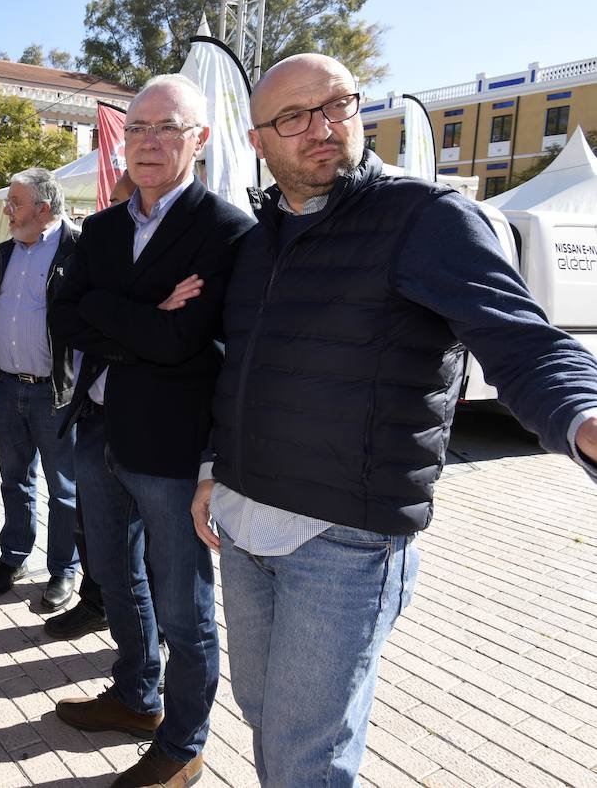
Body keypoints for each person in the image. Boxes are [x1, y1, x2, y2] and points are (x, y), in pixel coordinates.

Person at [190, 52, 597, 786]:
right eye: (292, 117)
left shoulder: (425, 219)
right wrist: (214, 470)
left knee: (301, 749)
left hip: (344, 538)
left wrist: (581, 413)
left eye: (337, 105)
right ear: (257, 140)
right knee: (265, 712)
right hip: (245, 521)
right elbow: (239, 368)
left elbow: (522, 339)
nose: (321, 127)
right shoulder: (256, 244)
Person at [51, 74, 255, 788]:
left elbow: (186, 342)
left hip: (170, 449)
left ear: (198, 139)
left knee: (183, 605)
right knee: (112, 575)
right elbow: (63, 318)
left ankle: (184, 740)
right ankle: (136, 695)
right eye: (136, 127)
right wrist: (148, 312)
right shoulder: (102, 227)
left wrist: (116, 315)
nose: (147, 142)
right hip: (98, 431)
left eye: (167, 127)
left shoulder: (228, 231)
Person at [0, 167, 82, 611]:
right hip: (8, 389)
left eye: (14, 203)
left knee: (64, 489)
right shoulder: (6, 252)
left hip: (55, 393)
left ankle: (63, 569)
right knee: (13, 481)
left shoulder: (79, 247)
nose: (8, 211)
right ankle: (14, 555)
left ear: (42, 208)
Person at [44, 168, 136, 640]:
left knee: (144, 548)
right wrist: (125, 323)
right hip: (94, 417)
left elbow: (162, 335)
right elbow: (66, 317)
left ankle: (151, 646)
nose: (108, 212)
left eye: (121, 202)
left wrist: (108, 317)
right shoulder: (99, 253)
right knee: (93, 526)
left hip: (143, 428)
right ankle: (96, 602)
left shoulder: (155, 257)